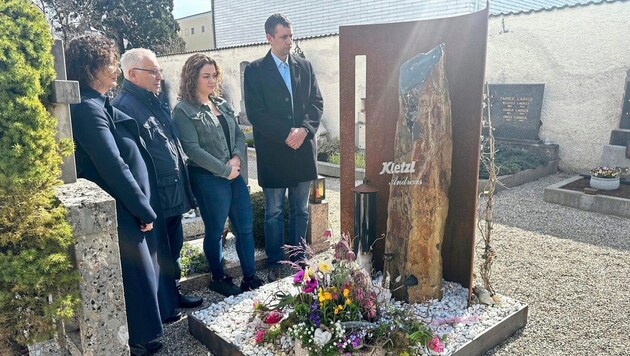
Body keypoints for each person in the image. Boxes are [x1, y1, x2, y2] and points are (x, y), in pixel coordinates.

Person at [66, 34, 176, 356]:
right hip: (121, 207)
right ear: (92, 66)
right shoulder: (86, 108)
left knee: (143, 274)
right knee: (134, 276)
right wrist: (144, 209)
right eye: (110, 62)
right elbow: (112, 164)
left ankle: (146, 334)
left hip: (129, 207)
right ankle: (139, 342)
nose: (115, 68)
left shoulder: (98, 102)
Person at [113, 48, 203, 309]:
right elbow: (129, 162)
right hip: (155, 198)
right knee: (158, 254)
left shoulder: (154, 101)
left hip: (171, 194)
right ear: (132, 74)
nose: (158, 76)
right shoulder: (124, 108)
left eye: (159, 71)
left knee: (172, 251)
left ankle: (172, 296)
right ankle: (163, 306)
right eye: (152, 71)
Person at [173, 54, 265, 296]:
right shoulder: (183, 110)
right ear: (192, 78)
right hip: (208, 178)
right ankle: (218, 277)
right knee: (214, 231)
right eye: (206, 76)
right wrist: (225, 170)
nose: (212, 80)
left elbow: (237, 134)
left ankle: (250, 276)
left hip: (234, 173)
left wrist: (236, 159)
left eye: (214, 75)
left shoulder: (222, 104)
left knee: (244, 226)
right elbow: (192, 149)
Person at [244, 13, 324, 282]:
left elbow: (316, 103)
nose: (290, 41)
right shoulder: (254, 71)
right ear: (269, 38)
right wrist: (285, 134)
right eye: (283, 37)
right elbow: (256, 113)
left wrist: (304, 130)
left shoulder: (305, 66)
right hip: (275, 153)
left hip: (302, 151)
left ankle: (299, 256)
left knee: (300, 209)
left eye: (291, 35)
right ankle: (276, 261)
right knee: (274, 211)